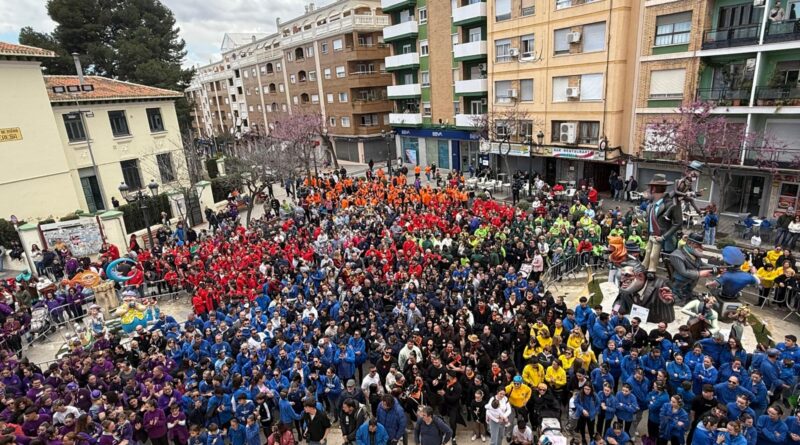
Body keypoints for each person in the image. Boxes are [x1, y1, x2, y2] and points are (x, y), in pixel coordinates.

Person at [643, 174, 682, 274]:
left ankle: (672, 279)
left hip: (665, 240)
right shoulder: (651, 205)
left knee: (668, 263)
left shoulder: (671, 204)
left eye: (649, 188)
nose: (647, 190)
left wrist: (664, 237)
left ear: (654, 189)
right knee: (647, 253)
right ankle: (645, 270)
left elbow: (678, 223)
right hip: (652, 236)